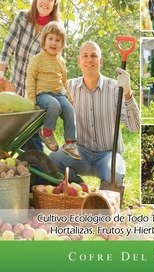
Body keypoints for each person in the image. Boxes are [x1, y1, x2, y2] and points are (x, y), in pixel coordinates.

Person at [49, 40, 140, 186]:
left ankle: (101, 202)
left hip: (108, 154)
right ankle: (79, 187)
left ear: (100, 61)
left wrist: (128, 93)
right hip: (80, 153)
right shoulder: (69, 88)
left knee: (115, 176)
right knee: (53, 161)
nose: (89, 60)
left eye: (93, 56)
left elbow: (135, 127)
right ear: (79, 61)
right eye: (85, 56)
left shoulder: (116, 89)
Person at [0, 0, 60, 151]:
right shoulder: (22, 18)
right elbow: (8, 47)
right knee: (8, 132)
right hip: (14, 86)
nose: (45, 2)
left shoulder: (54, 30)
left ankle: (36, 172)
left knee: (31, 136)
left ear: (54, 4)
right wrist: (1, 73)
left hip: (35, 92)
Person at [26, 21, 81, 160]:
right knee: (54, 105)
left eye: (58, 40)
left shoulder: (60, 61)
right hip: (42, 95)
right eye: (50, 39)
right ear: (44, 41)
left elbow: (63, 82)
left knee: (69, 109)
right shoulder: (37, 59)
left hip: (58, 94)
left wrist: (69, 98)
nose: (54, 42)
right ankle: (47, 132)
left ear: (62, 45)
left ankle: (70, 143)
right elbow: (30, 79)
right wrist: (31, 99)